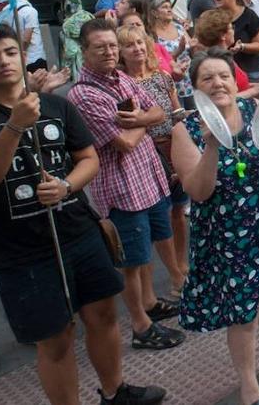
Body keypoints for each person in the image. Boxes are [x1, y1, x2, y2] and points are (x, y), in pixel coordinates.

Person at [0, 25, 166, 405]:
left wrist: (67, 186)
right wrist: (14, 126)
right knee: (56, 338)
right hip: (20, 250)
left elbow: (87, 158)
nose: (4, 61)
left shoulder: (58, 106)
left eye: (10, 52)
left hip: (78, 230)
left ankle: (115, 392)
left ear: (22, 55)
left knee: (103, 316)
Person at [170, 49, 259, 403]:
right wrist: (213, 146)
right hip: (228, 237)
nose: (218, 83)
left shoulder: (257, 111)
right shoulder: (186, 131)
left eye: (224, 75)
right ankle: (248, 383)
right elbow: (198, 192)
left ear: (235, 79)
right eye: (207, 78)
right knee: (242, 313)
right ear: (196, 87)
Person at [66, 20, 184, 352]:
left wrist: (142, 120)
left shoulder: (122, 78)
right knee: (131, 261)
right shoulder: (83, 95)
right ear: (84, 51)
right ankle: (140, 326)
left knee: (147, 249)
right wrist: (146, 124)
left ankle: (149, 303)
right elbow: (121, 143)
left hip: (149, 179)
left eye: (112, 45)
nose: (109, 52)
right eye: (100, 47)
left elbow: (159, 110)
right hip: (122, 189)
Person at [116, 25, 188, 302]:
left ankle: (180, 266)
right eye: (129, 45)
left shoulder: (162, 77)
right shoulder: (124, 84)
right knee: (160, 215)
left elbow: (175, 109)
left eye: (140, 42)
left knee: (178, 212)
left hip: (174, 145)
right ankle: (170, 277)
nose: (137, 48)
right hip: (148, 153)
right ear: (122, 53)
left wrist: (187, 129)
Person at [193, 9, 257, 97]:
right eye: (231, 28)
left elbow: (239, 85)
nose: (234, 31)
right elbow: (222, 97)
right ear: (223, 35)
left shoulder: (224, 56)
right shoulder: (215, 62)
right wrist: (254, 91)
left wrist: (257, 86)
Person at [214, 0, 259, 85]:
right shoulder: (214, 17)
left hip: (251, 73)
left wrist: (242, 47)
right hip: (223, 74)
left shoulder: (249, 15)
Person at [8, 0, 47, 72]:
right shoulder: (30, 11)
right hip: (33, 59)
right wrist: (20, 55)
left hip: (15, 59)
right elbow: (26, 39)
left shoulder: (6, 9)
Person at [60, 0, 95, 80]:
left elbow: (70, 50)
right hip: (92, 54)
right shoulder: (90, 17)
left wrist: (65, 66)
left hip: (77, 58)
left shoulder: (67, 24)